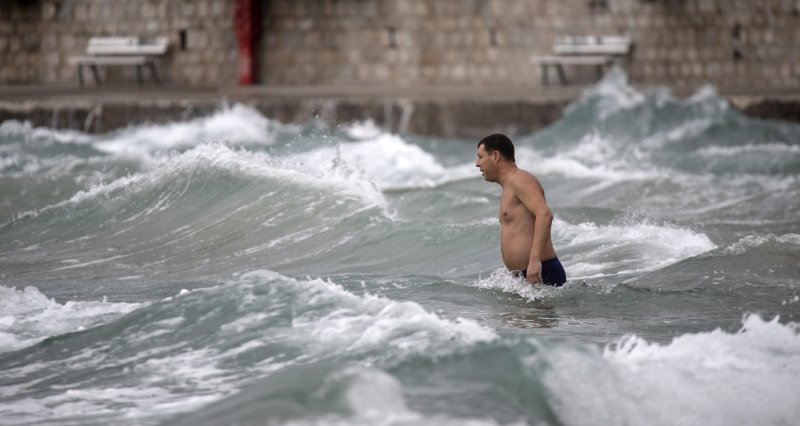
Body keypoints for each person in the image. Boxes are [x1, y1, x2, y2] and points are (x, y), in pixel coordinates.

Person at [475, 133, 566, 286]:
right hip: (525, 275)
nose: (477, 163)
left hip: (541, 271)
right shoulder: (509, 186)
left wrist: (534, 260)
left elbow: (544, 215)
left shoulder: (520, 179)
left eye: (480, 156)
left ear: (496, 156)